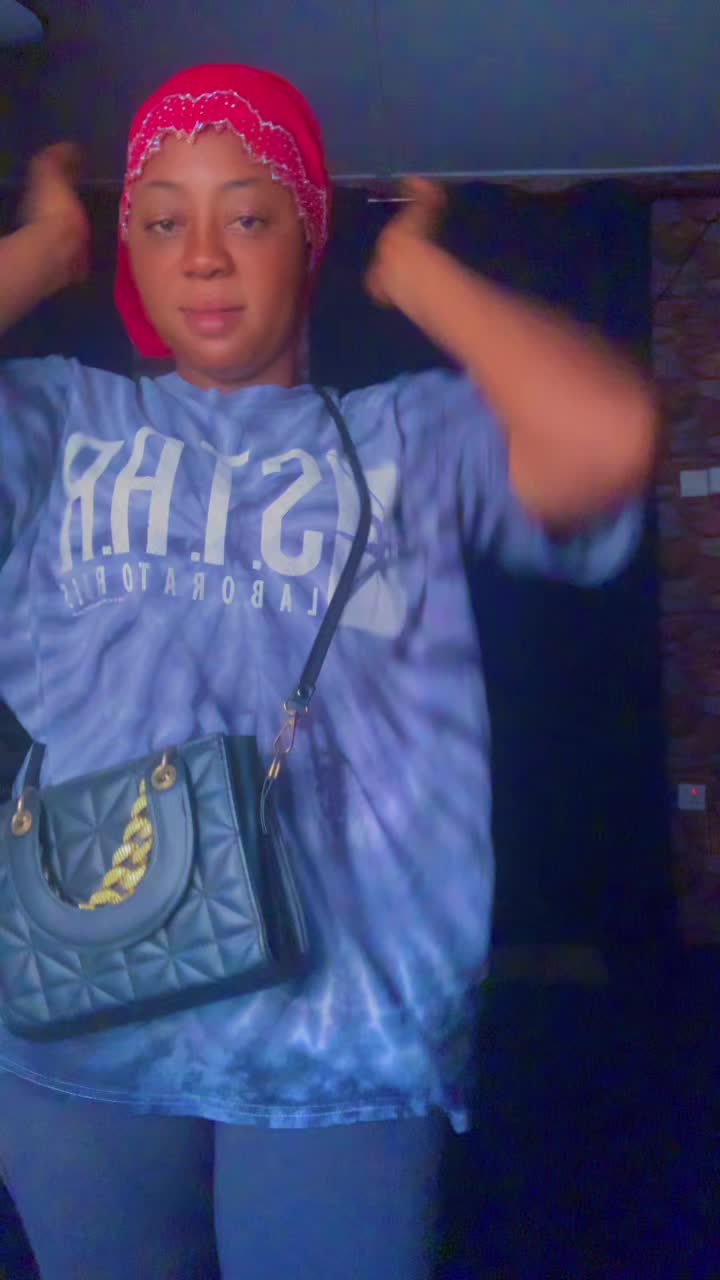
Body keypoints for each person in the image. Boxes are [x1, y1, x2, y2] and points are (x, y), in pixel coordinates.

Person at [0, 63, 656, 1280]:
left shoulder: (414, 433)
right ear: (127, 248)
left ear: (307, 233)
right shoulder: (54, 421)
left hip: (348, 1031)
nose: (204, 255)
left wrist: (418, 276)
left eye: (249, 215)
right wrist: (36, 256)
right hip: (77, 1017)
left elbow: (607, 434)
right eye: (162, 221)